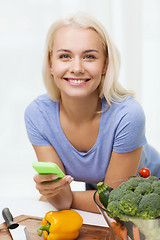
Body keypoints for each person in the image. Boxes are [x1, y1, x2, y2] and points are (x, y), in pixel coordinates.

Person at [24, 12, 160, 213]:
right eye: (65, 56)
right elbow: (63, 201)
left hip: (150, 196)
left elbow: (116, 201)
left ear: (105, 64)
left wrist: (59, 196)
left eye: (89, 56)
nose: (77, 68)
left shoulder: (128, 115)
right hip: (102, 195)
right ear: (51, 64)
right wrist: (55, 192)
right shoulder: (38, 115)